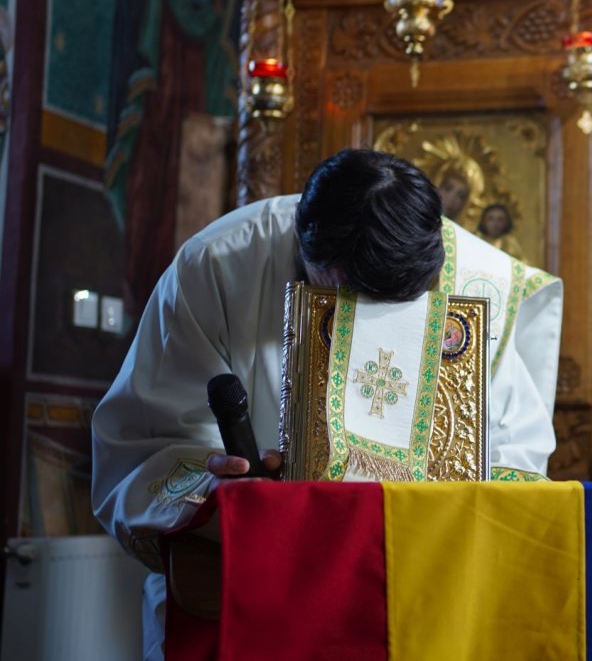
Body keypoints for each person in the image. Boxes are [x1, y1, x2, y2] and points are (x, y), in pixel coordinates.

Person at [91, 150, 562, 659]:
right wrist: (214, 489)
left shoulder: (480, 281)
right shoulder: (220, 266)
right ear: (302, 237)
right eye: (343, 297)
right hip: (254, 592)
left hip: (418, 599)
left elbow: (516, 465)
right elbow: (142, 445)